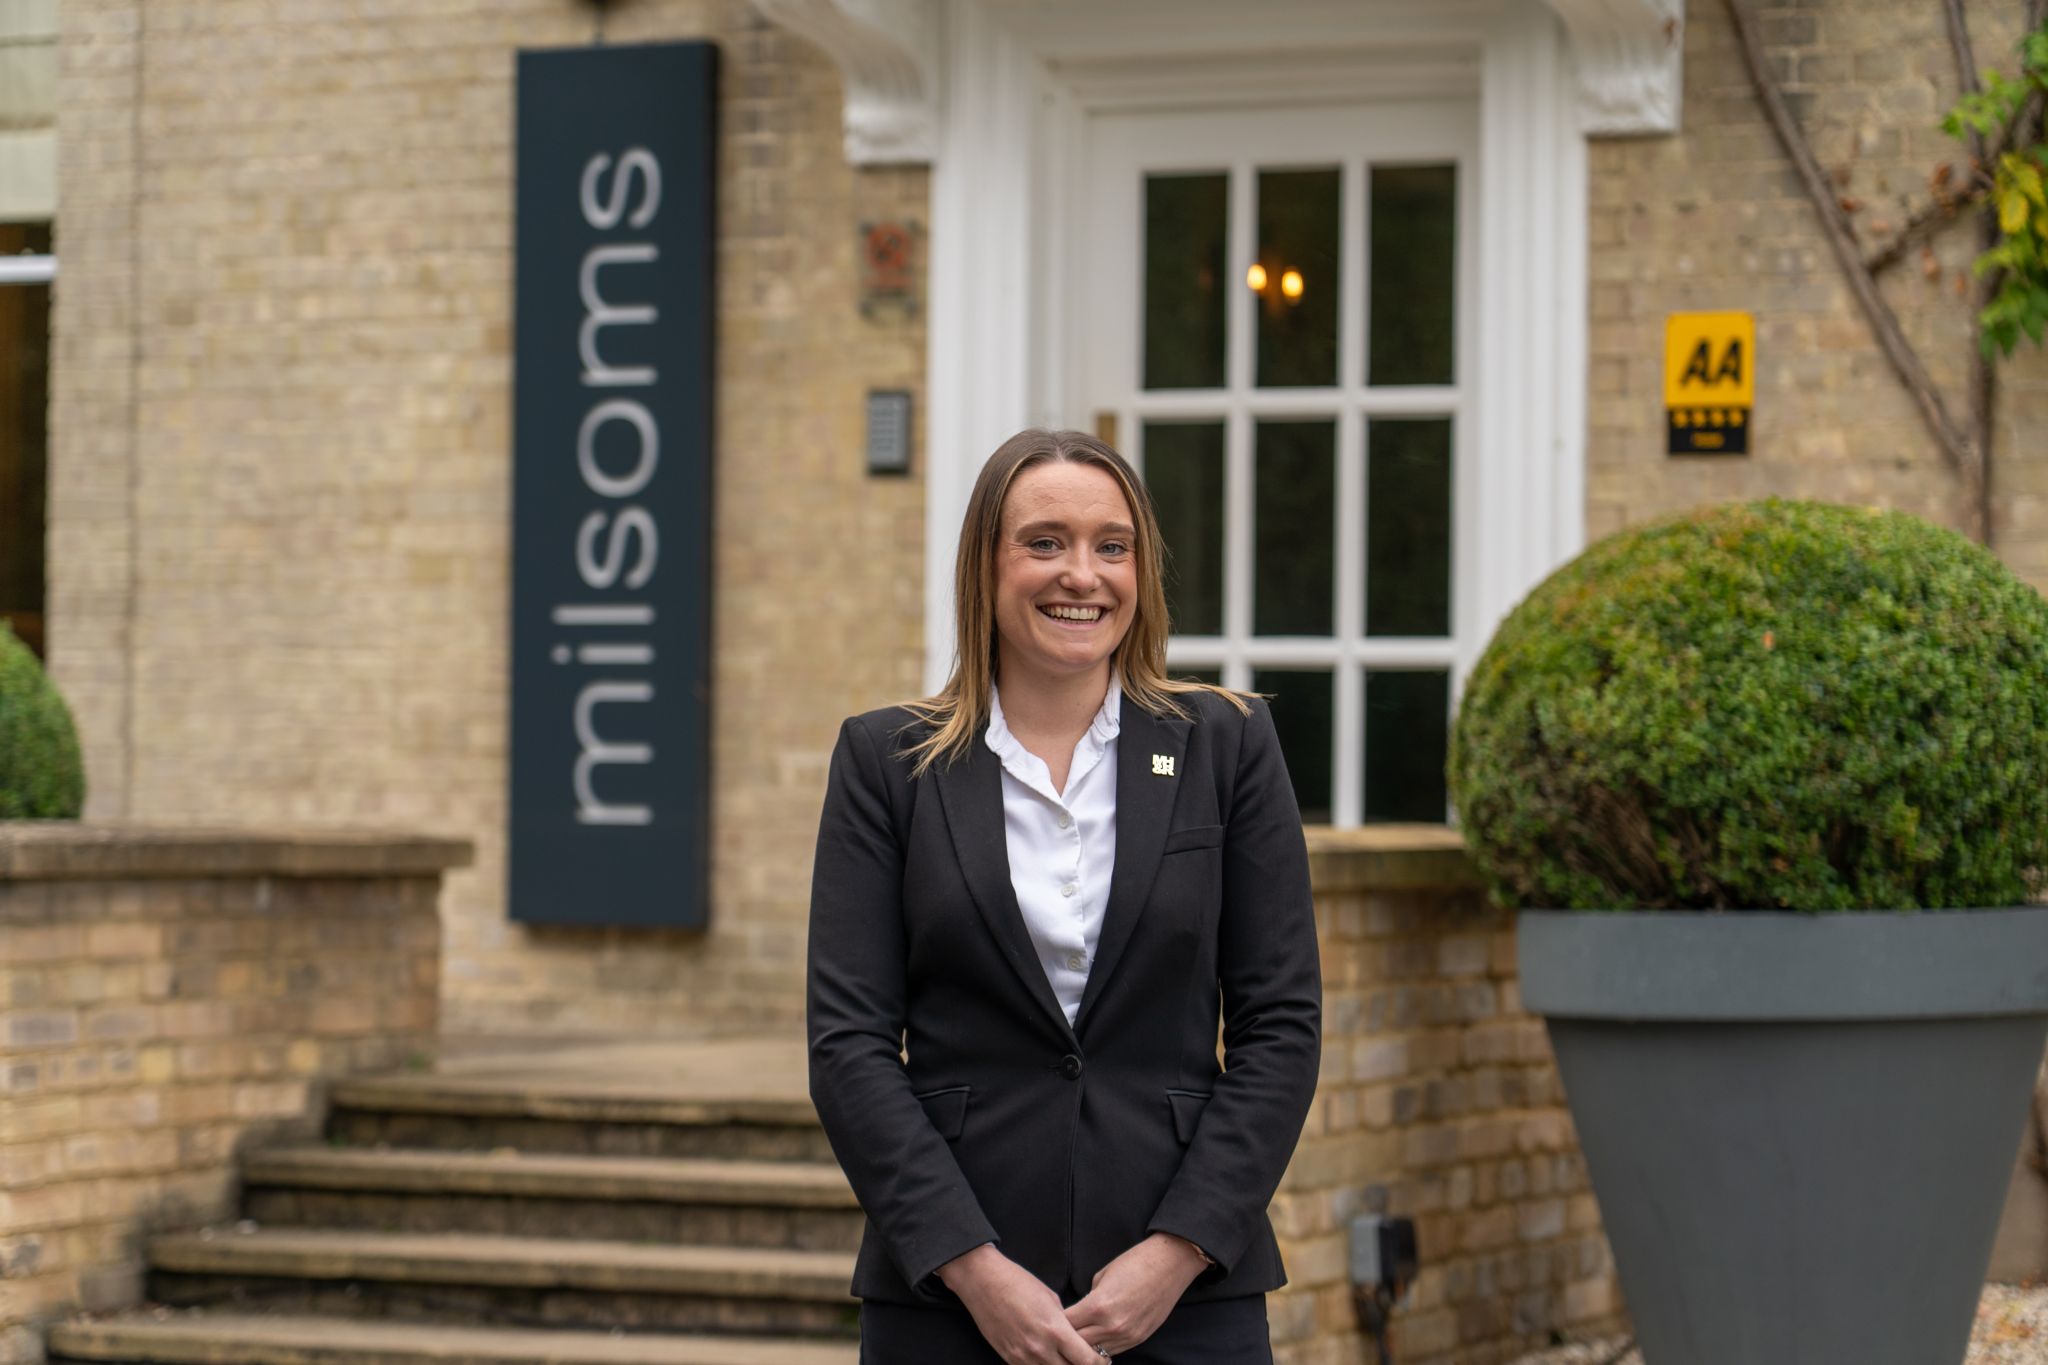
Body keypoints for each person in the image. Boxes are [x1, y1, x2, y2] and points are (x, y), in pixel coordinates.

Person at [807, 427, 1321, 1364]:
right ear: (985, 567)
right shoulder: (885, 765)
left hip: (1187, 1295)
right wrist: (974, 1267)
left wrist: (1177, 1251)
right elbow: (849, 1047)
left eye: (1111, 546)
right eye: (1044, 541)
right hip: (950, 1302)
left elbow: (1280, 1025)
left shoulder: (1227, 747)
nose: (1080, 573)